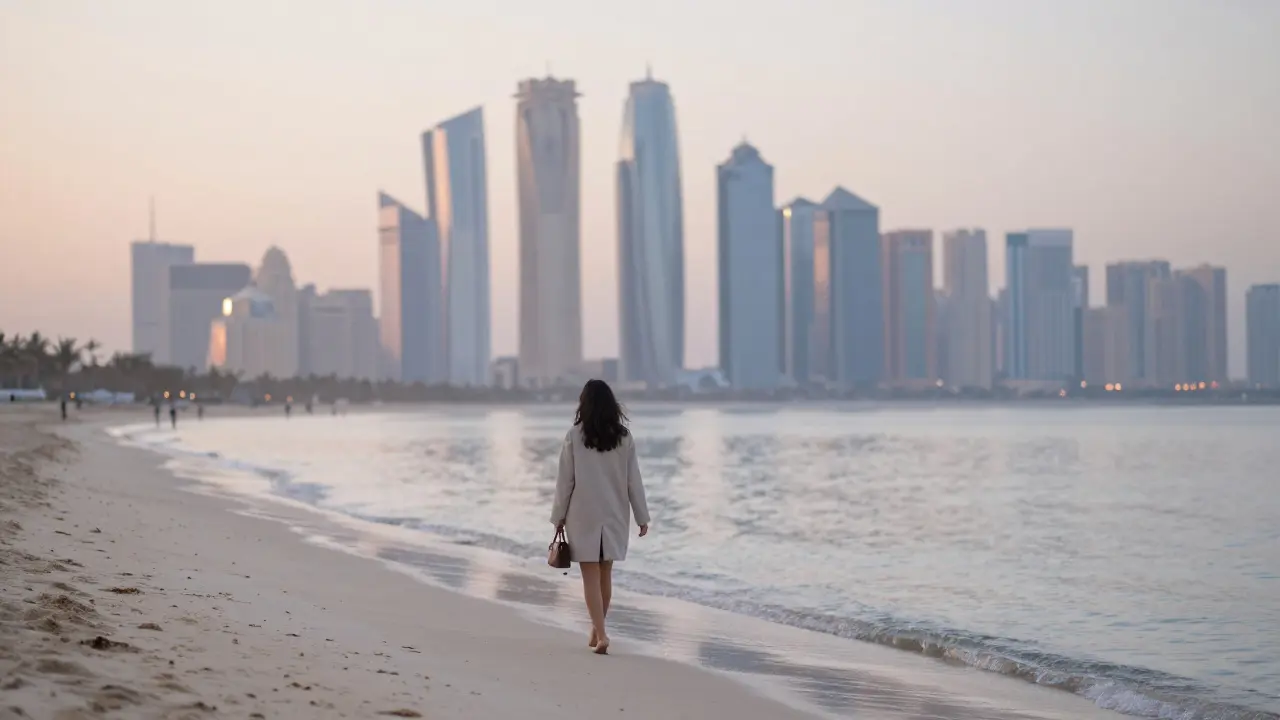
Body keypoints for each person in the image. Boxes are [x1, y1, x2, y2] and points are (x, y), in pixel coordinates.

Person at [549, 379, 650, 656]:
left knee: (590, 576)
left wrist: (558, 516)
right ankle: (598, 629)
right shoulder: (624, 437)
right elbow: (634, 482)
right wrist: (642, 517)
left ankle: (601, 633)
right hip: (615, 513)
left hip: (583, 514)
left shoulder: (574, 435)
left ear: (585, 404)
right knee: (605, 574)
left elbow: (565, 482)